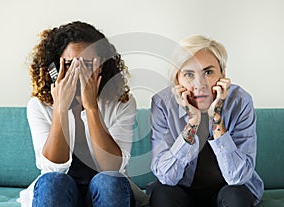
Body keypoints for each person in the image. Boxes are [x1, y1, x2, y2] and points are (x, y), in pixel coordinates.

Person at [18, 21, 144, 207]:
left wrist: (91, 108)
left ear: (101, 66)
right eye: (69, 64)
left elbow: (112, 167)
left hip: (105, 191)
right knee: (52, 181)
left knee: (109, 180)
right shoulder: (39, 106)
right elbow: (52, 168)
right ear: (55, 70)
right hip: (61, 191)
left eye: (87, 63)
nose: (77, 72)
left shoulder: (121, 103)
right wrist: (61, 108)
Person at [147, 35, 264, 207]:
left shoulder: (240, 101)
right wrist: (193, 122)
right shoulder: (163, 104)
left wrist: (216, 117)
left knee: (236, 197)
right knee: (162, 194)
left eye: (208, 72)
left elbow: (237, 177)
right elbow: (166, 176)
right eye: (188, 74)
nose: (199, 85)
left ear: (223, 75)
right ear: (177, 80)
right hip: (181, 190)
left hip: (227, 189)